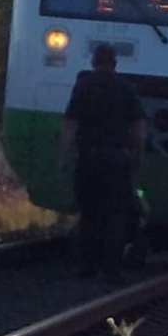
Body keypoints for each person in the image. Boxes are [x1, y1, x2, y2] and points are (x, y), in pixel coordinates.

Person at [59, 43, 146, 282]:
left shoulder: (83, 86)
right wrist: (137, 155)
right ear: (115, 63)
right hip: (118, 160)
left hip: (88, 158)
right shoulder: (126, 88)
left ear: (94, 62)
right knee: (115, 215)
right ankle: (112, 269)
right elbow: (138, 127)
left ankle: (87, 265)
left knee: (89, 213)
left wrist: (65, 156)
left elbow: (71, 123)